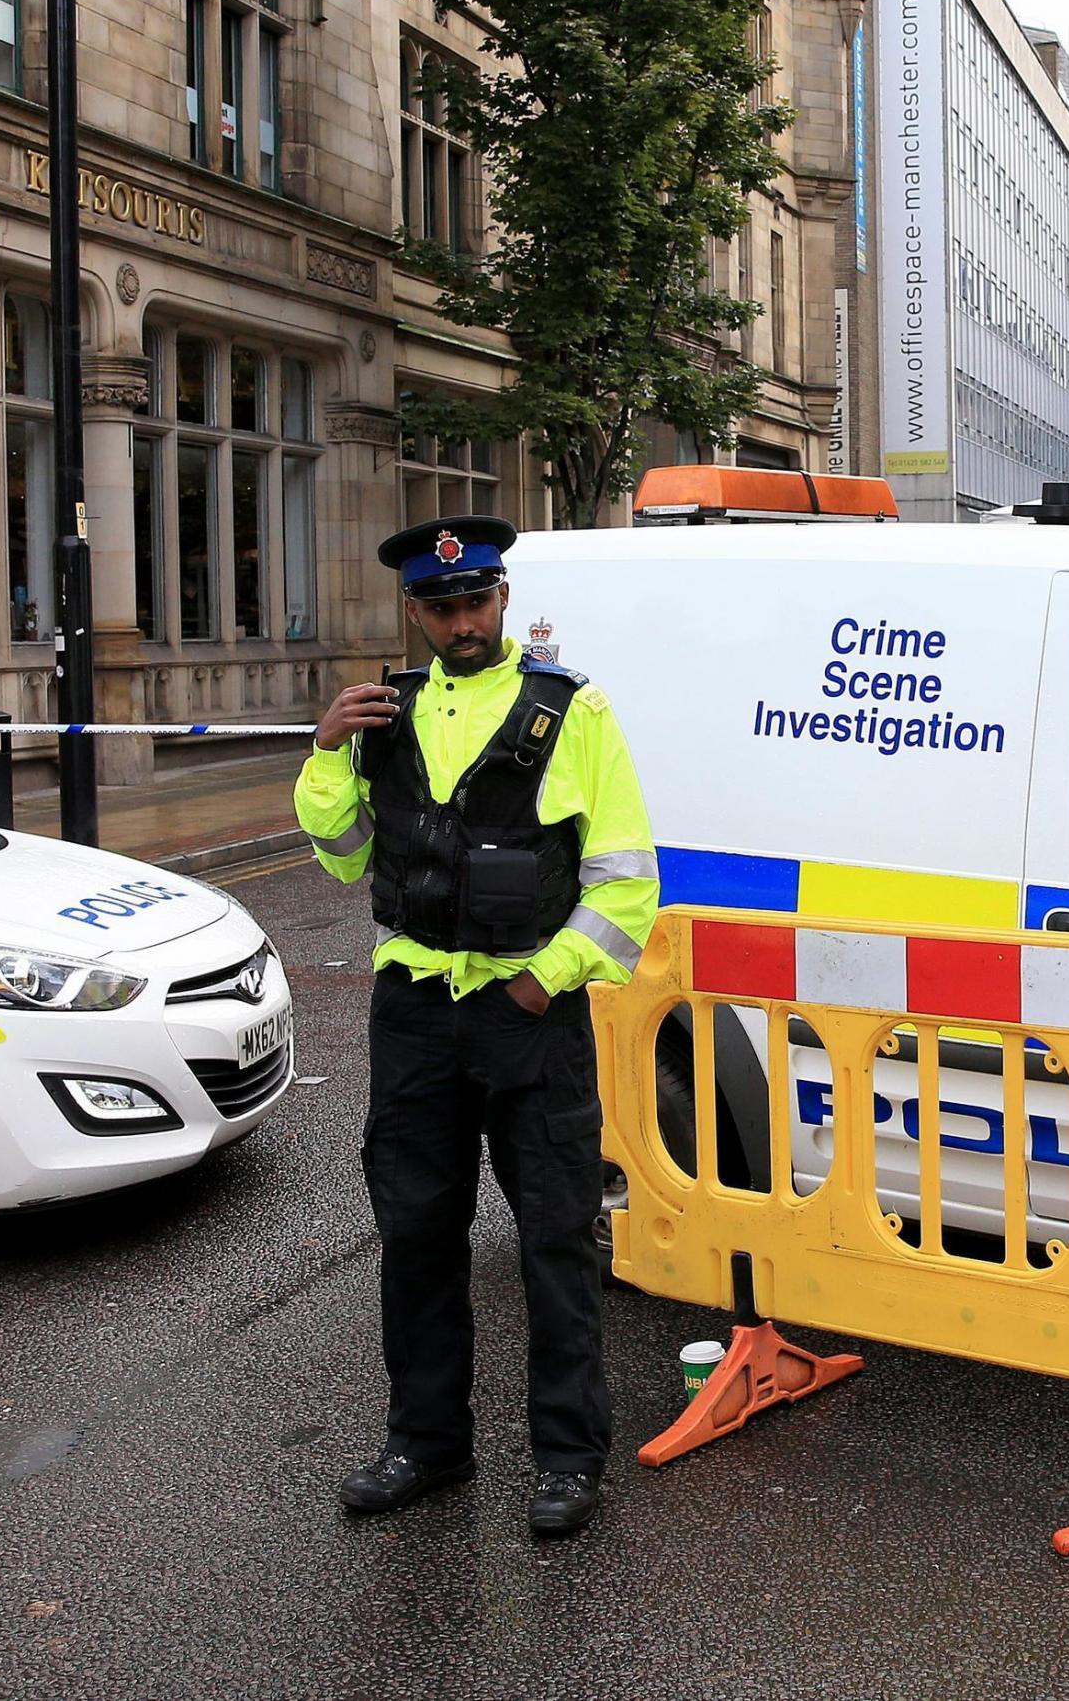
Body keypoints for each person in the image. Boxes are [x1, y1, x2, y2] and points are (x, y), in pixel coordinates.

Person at [294, 514, 657, 1538]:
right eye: (442, 606)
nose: (462, 619)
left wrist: (544, 983)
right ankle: (426, 1444)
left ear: (502, 600)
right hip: (413, 1012)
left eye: (477, 600)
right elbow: (339, 854)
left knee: (553, 1237)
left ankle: (568, 1457)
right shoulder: (382, 717)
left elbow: (626, 880)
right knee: (415, 1233)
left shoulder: (570, 710)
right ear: (417, 614)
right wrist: (326, 754)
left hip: (527, 1011)